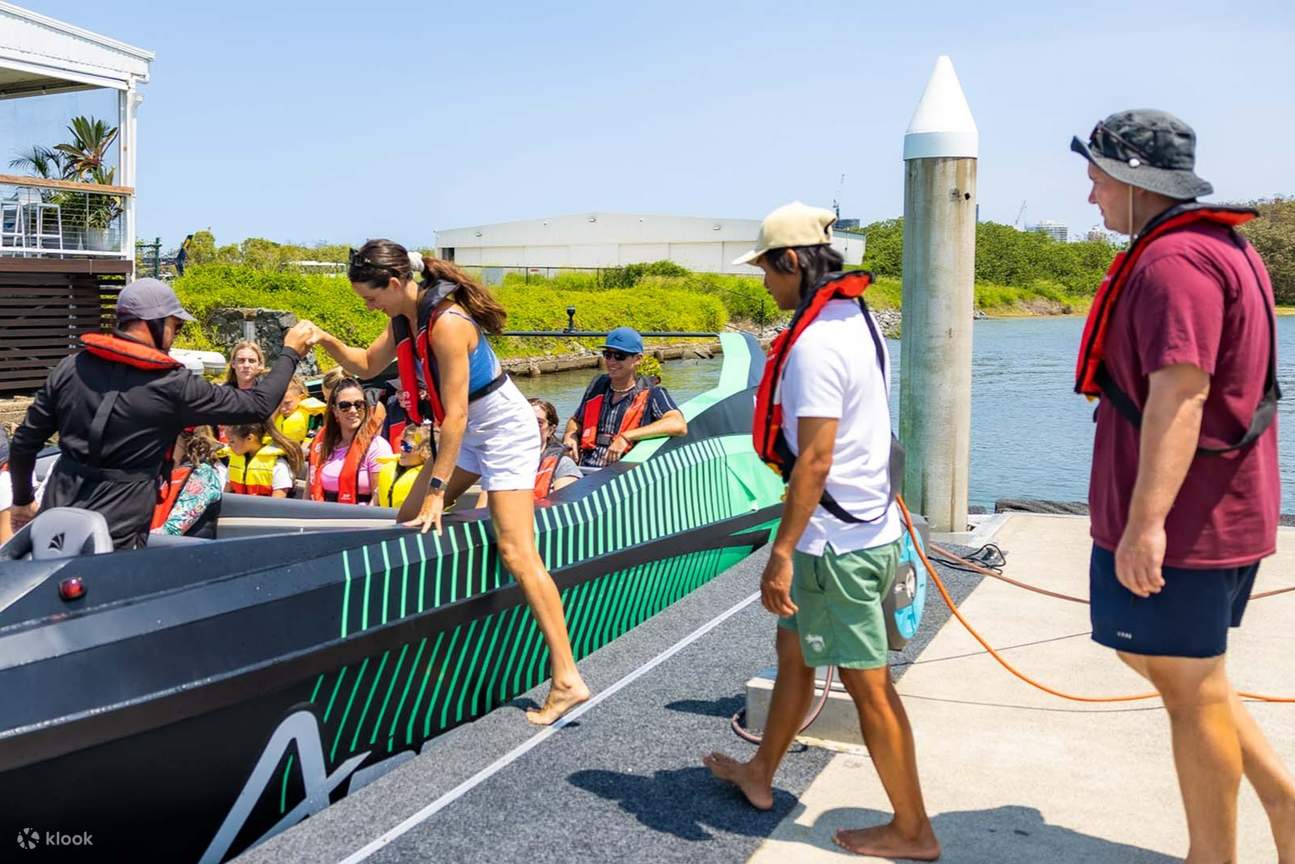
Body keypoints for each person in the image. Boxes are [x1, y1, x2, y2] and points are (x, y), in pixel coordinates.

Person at [1072, 110, 1292, 862]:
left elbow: (1181, 393)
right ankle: (1284, 805)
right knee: (1178, 670)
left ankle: (1213, 856)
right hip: (1218, 510)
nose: (1090, 194)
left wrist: (1145, 524)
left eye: (1098, 176)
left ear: (1135, 178)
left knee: (1189, 693)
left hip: (1190, 521)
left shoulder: (1174, 265)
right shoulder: (1219, 247)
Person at [702, 202, 939, 861]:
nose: (764, 285)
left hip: (834, 547)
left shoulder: (812, 344)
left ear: (791, 262)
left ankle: (913, 829)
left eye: (767, 272)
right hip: (867, 524)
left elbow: (814, 459)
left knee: (869, 689)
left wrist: (779, 553)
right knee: (793, 654)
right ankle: (760, 773)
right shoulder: (858, 319)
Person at [313, 239, 589, 724]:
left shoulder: (447, 324)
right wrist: (322, 338)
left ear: (396, 283)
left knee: (517, 551)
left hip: (501, 429)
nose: (369, 305)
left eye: (370, 297)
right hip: (468, 433)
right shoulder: (404, 316)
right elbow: (366, 364)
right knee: (405, 521)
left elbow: (456, 416)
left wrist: (439, 491)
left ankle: (566, 677)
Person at [5, 278, 317, 549]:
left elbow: (24, 443)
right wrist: (289, 353)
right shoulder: (172, 386)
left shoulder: (70, 368)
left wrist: (21, 501)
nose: (176, 334)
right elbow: (258, 405)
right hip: (117, 524)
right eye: (175, 325)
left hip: (57, 510)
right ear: (151, 323)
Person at [561, 327, 687, 469]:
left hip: (621, 475)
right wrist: (570, 435)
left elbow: (678, 424)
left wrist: (627, 436)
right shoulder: (597, 387)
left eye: (619, 356)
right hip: (583, 470)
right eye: (608, 355)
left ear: (637, 359)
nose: (611, 361)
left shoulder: (653, 393)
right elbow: (576, 420)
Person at [306, 377, 393, 504]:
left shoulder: (377, 447)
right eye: (345, 406)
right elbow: (307, 494)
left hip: (360, 519)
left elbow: (379, 498)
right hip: (322, 517)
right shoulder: (322, 446)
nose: (353, 411)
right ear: (335, 410)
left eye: (359, 405)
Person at [151, 426, 224, 538]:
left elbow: (173, 529)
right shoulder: (165, 471)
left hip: (186, 549)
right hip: (160, 543)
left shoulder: (203, 475)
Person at [225, 421, 302, 498]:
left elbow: (279, 498)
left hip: (264, 509)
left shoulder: (278, 464)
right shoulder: (235, 461)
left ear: (250, 438)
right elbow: (226, 492)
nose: (228, 445)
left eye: (232, 441)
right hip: (237, 508)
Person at [530, 399, 580, 498]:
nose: (529, 427)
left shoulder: (563, 465)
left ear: (550, 430)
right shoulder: (500, 460)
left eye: (538, 423)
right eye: (523, 421)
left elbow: (564, 506)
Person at [376, 423, 432, 510]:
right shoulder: (391, 468)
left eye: (407, 447)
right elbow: (374, 502)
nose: (402, 449)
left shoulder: (429, 477)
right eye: (402, 444)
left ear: (424, 452)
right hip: (385, 520)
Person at [274, 376, 326, 447]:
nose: (282, 409)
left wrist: (304, 447)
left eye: (287, 403)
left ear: (302, 397)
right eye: (278, 404)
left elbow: (315, 431)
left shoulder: (314, 414)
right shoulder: (276, 418)